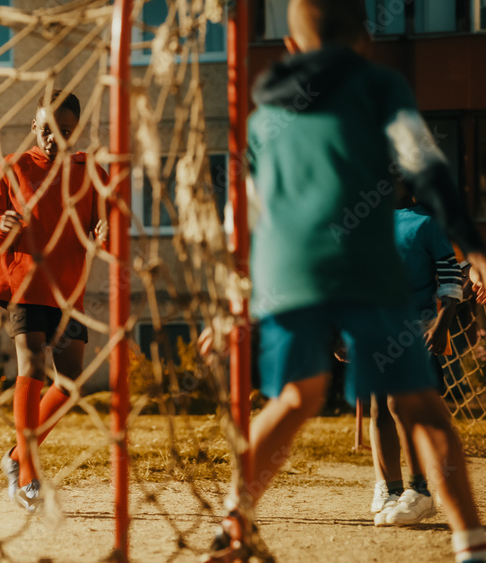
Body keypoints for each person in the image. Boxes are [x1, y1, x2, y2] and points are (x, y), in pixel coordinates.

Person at [206, 1, 486, 561]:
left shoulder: (263, 120)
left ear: (289, 49)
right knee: (423, 406)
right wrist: (474, 247)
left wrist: (231, 294)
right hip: (365, 267)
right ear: (365, 41)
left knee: (294, 397)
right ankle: (472, 544)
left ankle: (235, 521)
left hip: (288, 270)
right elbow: (427, 167)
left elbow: (243, 216)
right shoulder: (380, 87)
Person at [0, 90, 108, 512]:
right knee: (31, 362)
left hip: (69, 290)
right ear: (35, 126)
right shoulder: (13, 168)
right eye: (48, 130)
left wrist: (104, 235)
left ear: (77, 131)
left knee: (70, 382)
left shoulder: (91, 172)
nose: (56, 138)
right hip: (26, 283)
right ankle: (29, 474)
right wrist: (1, 223)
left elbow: (105, 223)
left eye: (66, 131)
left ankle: (15, 457)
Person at [369, 197, 464, 526]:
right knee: (380, 407)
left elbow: (451, 275)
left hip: (415, 329)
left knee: (402, 404)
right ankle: (392, 490)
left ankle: (420, 489)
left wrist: (444, 322)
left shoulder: (427, 221)